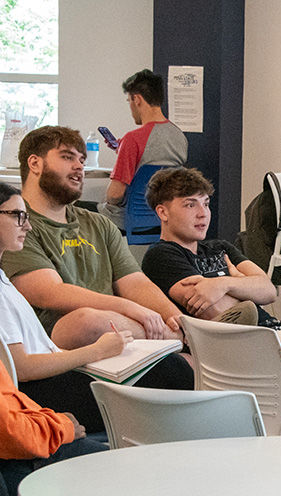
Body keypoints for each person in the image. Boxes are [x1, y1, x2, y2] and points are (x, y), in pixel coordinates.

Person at [0, 182, 192, 434]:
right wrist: (95, 352)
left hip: (54, 372)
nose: (27, 225)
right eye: (18, 216)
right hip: (38, 389)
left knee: (168, 368)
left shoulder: (4, 281)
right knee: (171, 373)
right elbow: (21, 368)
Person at [140, 167, 281, 424]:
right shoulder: (162, 256)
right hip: (232, 344)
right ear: (162, 212)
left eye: (206, 204)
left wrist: (222, 285)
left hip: (273, 334)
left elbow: (267, 290)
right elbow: (220, 313)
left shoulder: (220, 247)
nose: (202, 214)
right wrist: (243, 284)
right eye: (190, 205)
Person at [1, 126, 184, 350]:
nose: (79, 167)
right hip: (56, 342)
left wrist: (177, 320)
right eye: (67, 157)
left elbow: (135, 282)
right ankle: (169, 339)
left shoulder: (99, 223)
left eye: (82, 160)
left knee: (185, 354)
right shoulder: (16, 224)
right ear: (35, 163)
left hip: (117, 335)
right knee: (86, 321)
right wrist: (129, 308)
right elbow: (48, 292)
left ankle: (175, 338)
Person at [97, 69, 188, 229]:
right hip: (164, 218)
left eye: (129, 101)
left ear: (137, 99)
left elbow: (115, 195)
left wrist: (126, 148)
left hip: (128, 219)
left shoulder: (132, 139)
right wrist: (122, 149)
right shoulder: (179, 136)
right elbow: (155, 155)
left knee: (77, 210)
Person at [0, 362, 106, 495]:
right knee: (120, 468)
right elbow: (11, 433)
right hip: (20, 455)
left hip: (34, 432)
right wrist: (63, 427)